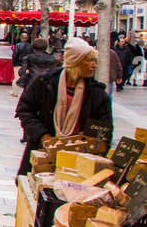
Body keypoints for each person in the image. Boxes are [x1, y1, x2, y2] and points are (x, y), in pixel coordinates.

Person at [15, 37, 112, 176]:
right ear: (75, 62)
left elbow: (104, 131)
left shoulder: (97, 94)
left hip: (77, 160)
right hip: (42, 153)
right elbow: (24, 110)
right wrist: (43, 136)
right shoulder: (45, 83)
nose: (93, 65)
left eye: (94, 61)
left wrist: (86, 146)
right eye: (88, 60)